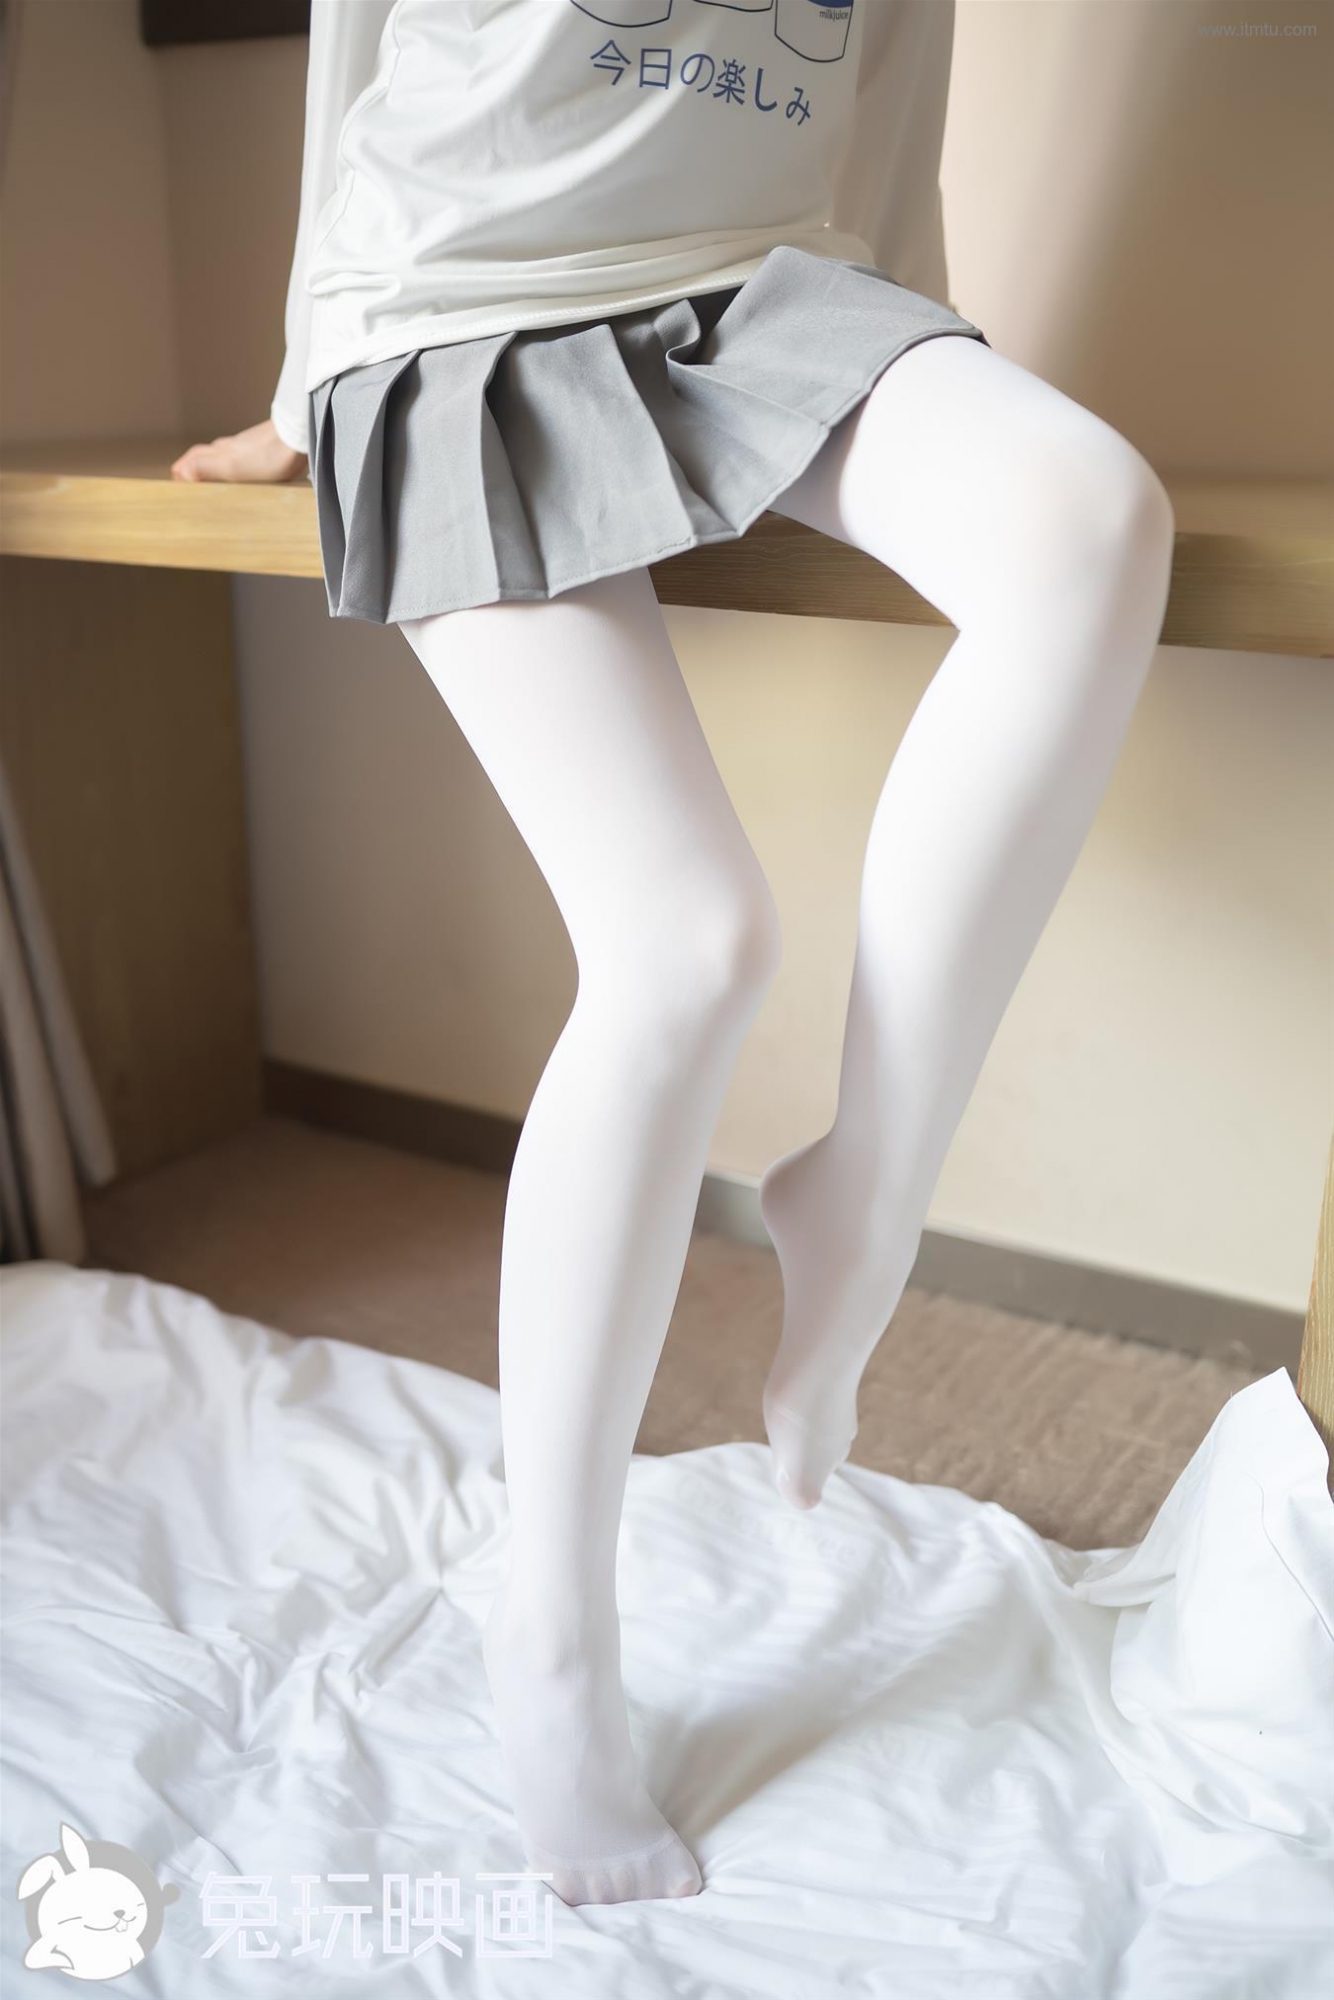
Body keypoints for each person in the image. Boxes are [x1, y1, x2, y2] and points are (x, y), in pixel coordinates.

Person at [172, 0, 1175, 1911]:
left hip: (772, 289)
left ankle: (865, 1194)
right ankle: (551, 1636)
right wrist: (306, 385)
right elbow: (355, 43)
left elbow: (893, 92)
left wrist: (909, 356)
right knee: (686, 942)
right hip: (455, 295)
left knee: (1088, 519)